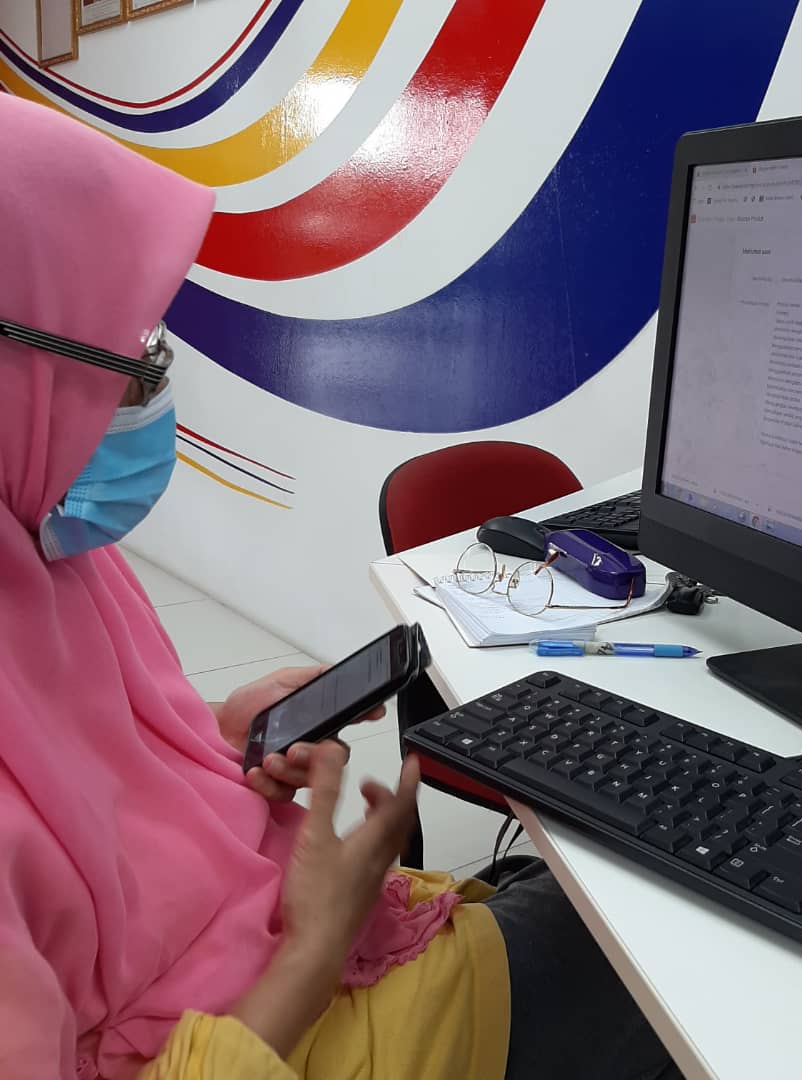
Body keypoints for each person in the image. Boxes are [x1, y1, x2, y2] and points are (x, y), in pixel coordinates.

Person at [0, 94, 682, 1080]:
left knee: (613, 894)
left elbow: (80, 776)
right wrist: (317, 943)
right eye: (129, 356)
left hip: (287, 946)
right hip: (305, 1016)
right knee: (670, 941)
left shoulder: (49, 551)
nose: (151, 389)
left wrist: (220, 736)